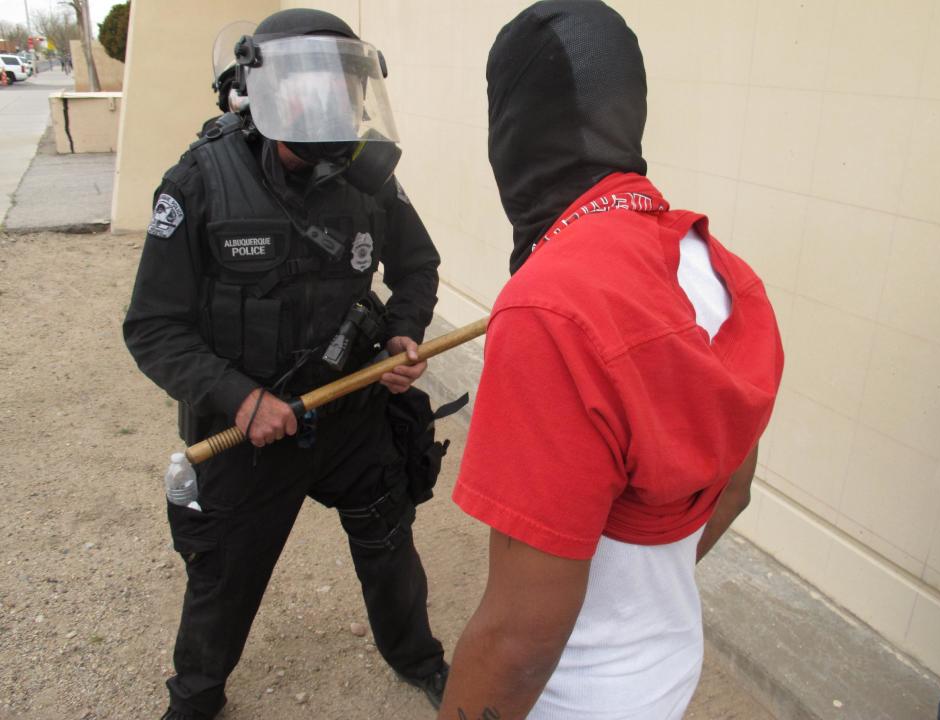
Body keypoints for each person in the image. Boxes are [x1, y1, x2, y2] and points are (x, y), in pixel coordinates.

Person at [438, 2, 784, 719]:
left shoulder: (552, 305)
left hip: (574, 699)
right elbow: (736, 489)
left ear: (514, 125)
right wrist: (644, 603)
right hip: (666, 671)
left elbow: (518, 642)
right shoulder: (718, 267)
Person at [123, 9, 449, 720]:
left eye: (344, 85)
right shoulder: (199, 183)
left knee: (390, 544)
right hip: (252, 433)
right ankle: (197, 697)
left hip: (351, 415)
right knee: (224, 577)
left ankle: (417, 658)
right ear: (263, 91)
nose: (333, 102)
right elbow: (153, 326)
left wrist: (400, 334)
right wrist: (239, 399)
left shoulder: (367, 177)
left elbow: (418, 267)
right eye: (313, 85)